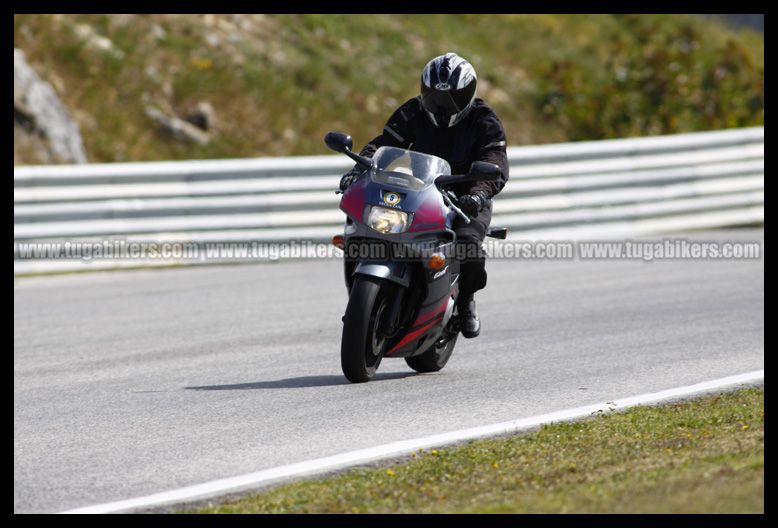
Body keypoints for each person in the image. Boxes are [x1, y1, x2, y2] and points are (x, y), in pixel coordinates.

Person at [340, 52, 509, 339]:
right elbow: (384, 144)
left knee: (467, 244)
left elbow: (495, 160)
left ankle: (465, 301)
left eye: (453, 98)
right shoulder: (413, 111)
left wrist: (479, 194)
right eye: (435, 97)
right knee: (367, 225)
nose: (443, 106)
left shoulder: (484, 120)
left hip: (466, 194)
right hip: (419, 189)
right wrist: (360, 169)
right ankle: (364, 294)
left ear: (468, 94)